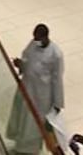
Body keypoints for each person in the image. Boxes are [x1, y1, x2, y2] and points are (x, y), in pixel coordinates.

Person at [7, 23, 64, 155]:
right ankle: (19, 147)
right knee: (22, 119)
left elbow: (57, 79)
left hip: (41, 96)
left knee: (32, 124)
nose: (35, 41)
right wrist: (21, 64)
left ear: (45, 37)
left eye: (38, 38)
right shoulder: (33, 44)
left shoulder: (56, 54)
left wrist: (57, 103)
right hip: (27, 88)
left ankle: (28, 151)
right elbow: (28, 60)